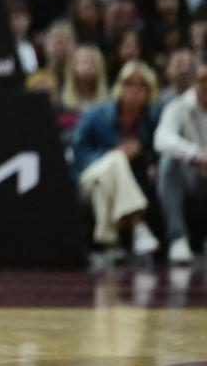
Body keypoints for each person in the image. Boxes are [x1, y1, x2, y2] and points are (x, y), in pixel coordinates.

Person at [71, 61, 161, 259]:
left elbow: (157, 153)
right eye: (129, 83)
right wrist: (110, 154)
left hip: (109, 183)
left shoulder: (151, 118)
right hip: (88, 176)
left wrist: (141, 153)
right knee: (116, 159)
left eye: (141, 85)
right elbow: (78, 151)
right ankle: (138, 223)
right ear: (120, 86)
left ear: (149, 90)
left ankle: (109, 243)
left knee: (105, 183)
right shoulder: (97, 113)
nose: (135, 90)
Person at [153, 57, 207, 264]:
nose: (206, 85)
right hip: (189, 181)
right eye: (202, 79)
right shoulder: (178, 106)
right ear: (193, 81)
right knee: (168, 161)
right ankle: (178, 238)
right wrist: (196, 154)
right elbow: (162, 139)